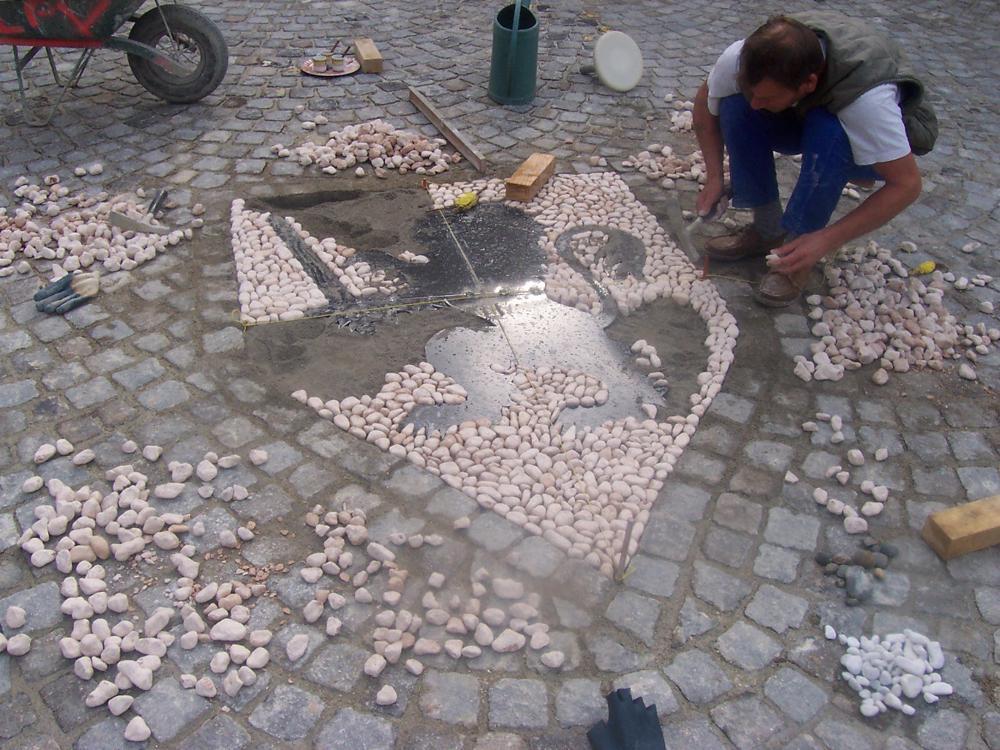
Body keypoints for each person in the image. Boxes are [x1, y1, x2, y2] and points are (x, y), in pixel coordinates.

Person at [691, 12, 937, 306]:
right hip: (804, 112)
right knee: (736, 107)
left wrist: (826, 239)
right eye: (753, 91)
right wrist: (715, 178)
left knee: (828, 130)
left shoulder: (867, 102)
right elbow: (706, 106)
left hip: (874, 141)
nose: (758, 103)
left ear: (808, 84)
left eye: (767, 97)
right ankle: (767, 231)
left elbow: (907, 185)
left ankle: (798, 251)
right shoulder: (740, 58)